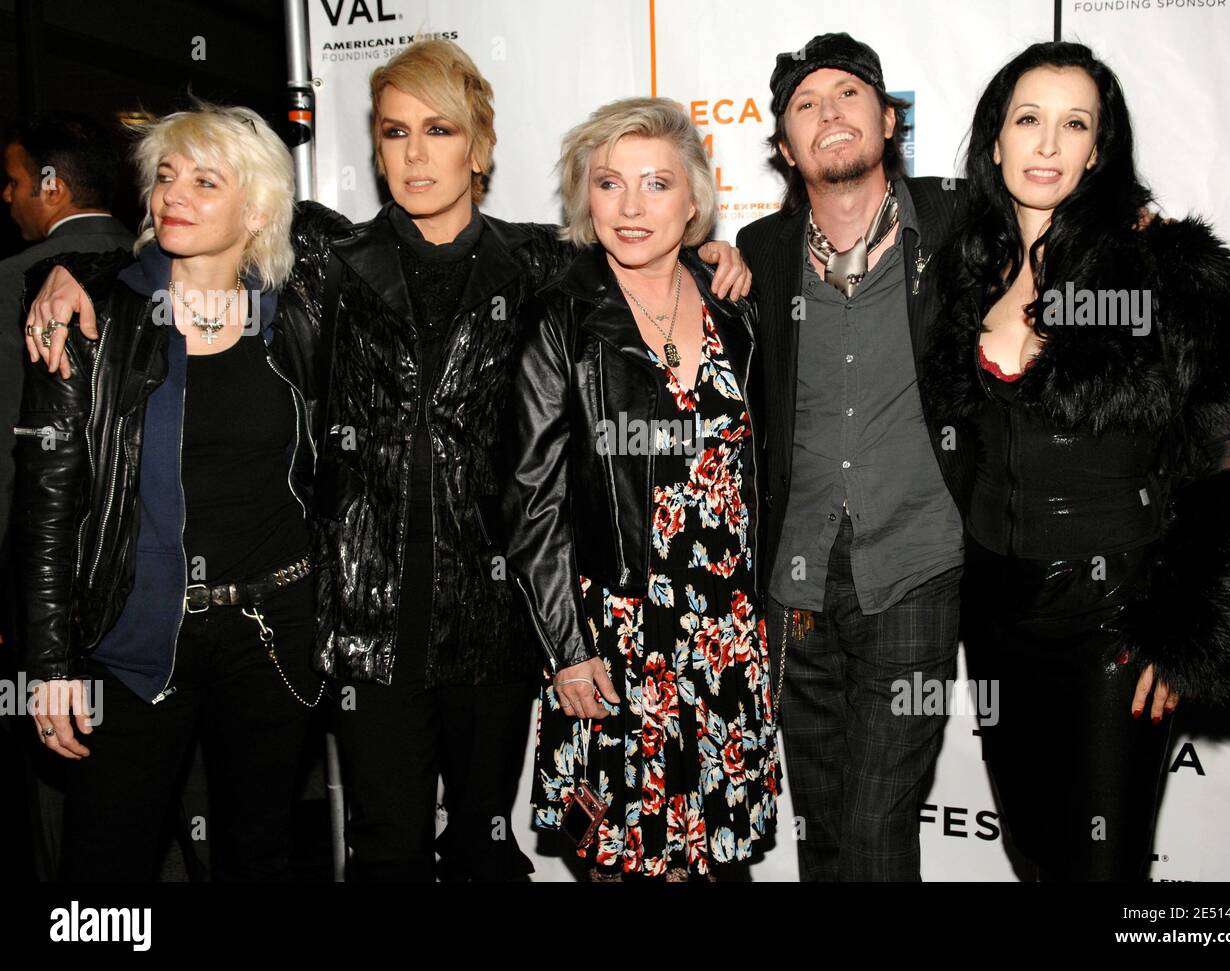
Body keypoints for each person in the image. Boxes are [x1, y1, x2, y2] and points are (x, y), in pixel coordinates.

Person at [25, 40, 750, 883]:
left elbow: (646, 249)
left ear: (478, 148)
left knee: (482, 846)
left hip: (493, 616)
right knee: (385, 851)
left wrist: (712, 255)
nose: (414, 154)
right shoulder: (327, 264)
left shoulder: (547, 264)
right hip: (366, 621)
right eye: (394, 132)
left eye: (438, 130)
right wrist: (76, 267)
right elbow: (198, 237)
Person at [920, 41, 1230, 880]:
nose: (1047, 145)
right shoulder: (966, 271)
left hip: (1113, 621)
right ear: (995, 140)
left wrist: (1191, 631)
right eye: (1029, 120)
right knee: (1036, 852)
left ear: (1099, 148)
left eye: (1073, 124)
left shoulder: (1164, 268)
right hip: (998, 619)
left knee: (1104, 868)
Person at [16, 104, 331, 881]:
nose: (172, 194)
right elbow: (47, 503)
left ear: (255, 207)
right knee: (104, 858)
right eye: (164, 175)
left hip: (272, 630)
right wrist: (48, 662)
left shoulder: (301, 308)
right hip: (140, 629)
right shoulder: (95, 315)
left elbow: (400, 237)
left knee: (259, 852)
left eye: (203, 179)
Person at [502, 97, 779, 881]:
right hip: (618, 635)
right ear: (584, 197)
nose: (630, 208)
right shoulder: (561, 317)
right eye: (608, 183)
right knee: (624, 863)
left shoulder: (737, 310)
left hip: (725, 636)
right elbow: (531, 496)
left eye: (656, 184)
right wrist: (566, 648)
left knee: (717, 864)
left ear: (693, 200)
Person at [735, 33, 966, 881]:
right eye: (806, 105)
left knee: (874, 833)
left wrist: (1132, 218)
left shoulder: (955, 221)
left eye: (848, 95)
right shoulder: (756, 256)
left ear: (888, 120)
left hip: (915, 571)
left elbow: (1067, 218)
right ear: (787, 149)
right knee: (824, 829)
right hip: (795, 590)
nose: (829, 113)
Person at [0, 111, 134, 881]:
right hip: (168, 605)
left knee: (66, 796)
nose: (9, 198)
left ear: (52, 185)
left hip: (49, 598)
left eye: (17, 181)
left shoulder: (16, 286)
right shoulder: (172, 273)